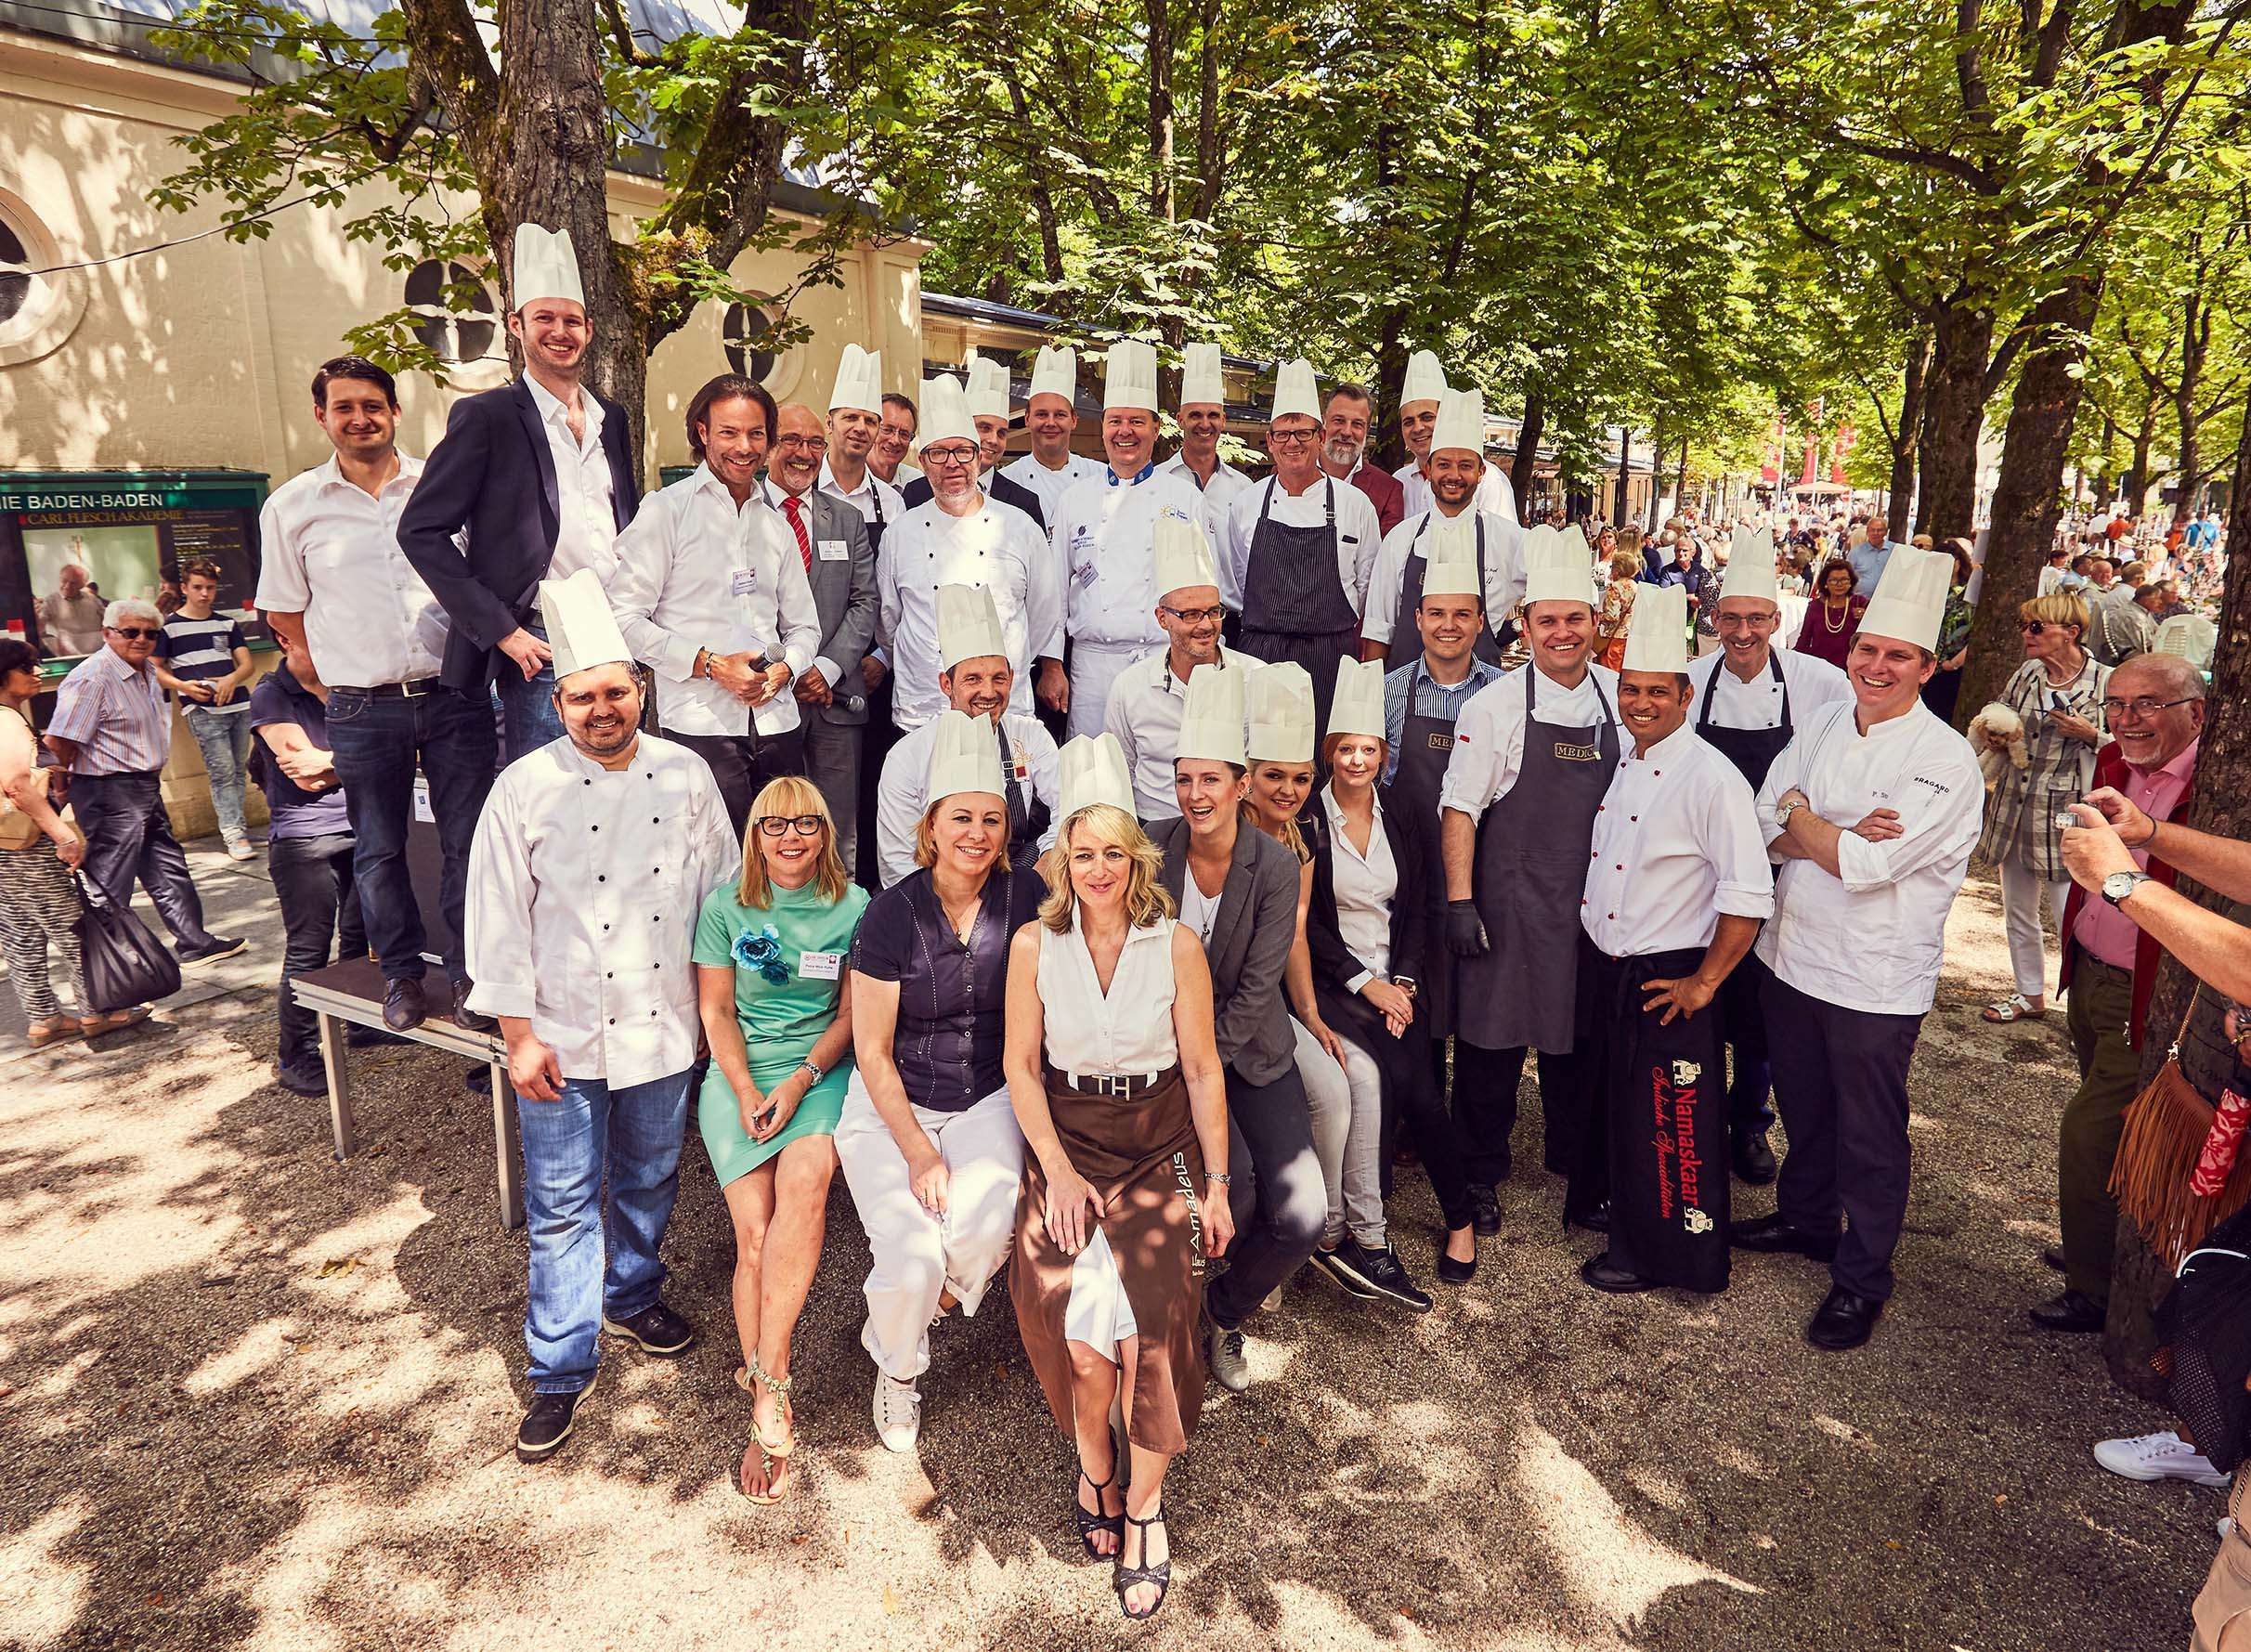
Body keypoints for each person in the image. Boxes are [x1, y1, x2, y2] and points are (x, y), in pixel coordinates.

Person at [464, 570, 738, 1463]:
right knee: (559, 1201)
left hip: (663, 1024)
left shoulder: (690, 774)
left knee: (653, 1172)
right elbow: (496, 917)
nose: (600, 709)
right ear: (558, 699)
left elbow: (723, 902)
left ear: (642, 691)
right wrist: (516, 1036)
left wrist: (720, 1017)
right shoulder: (524, 787)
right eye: (582, 696)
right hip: (563, 1032)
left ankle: (629, 1293)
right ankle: (557, 1365)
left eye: (615, 691)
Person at [1003, 734, 1233, 1621]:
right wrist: (1055, 1171)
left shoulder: (1173, 943)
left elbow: (1205, 1070)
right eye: (1081, 852)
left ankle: (1143, 1506)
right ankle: (1094, 1462)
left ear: (1136, 857)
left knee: (1153, 1314)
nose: (1097, 869)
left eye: (1113, 852)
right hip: (1070, 1138)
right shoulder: (1035, 942)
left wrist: (1214, 1184)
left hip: (1157, 1141)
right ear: (1061, 858)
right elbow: (1022, 1066)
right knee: (1076, 1324)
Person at [1738, 549, 1983, 1350]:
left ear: (1926, 665)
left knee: (1870, 1132)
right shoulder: (1821, 721)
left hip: (1875, 976)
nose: (1877, 666)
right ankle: (1809, 1218)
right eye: (1869, 651)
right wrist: (1831, 827)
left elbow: (1866, 865)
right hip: (1792, 952)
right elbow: (1760, 820)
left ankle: (1861, 1277)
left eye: (1898, 656)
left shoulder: (1944, 759)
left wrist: (1811, 818)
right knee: (1805, 1107)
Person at [258, 354, 497, 1035]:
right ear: (322, 416)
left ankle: (469, 972)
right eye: (344, 407)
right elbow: (284, 612)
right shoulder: (294, 506)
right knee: (379, 847)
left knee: (468, 842)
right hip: (363, 705)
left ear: (394, 410)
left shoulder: (441, 485)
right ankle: (399, 973)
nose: (359, 418)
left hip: (454, 693)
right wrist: (324, 677)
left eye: (372, 404)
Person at [839, 709, 1041, 1451]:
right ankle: (898, 1370)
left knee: (988, 1225)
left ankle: (911, 1309)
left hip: (986, 1095)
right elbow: (872, 1050)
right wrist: (920, 1151)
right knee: (914, 1251)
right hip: (893, 1105)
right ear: (931, 826)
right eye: (961, 817)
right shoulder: (890, 915)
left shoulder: (1025, 899)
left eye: (992, 818)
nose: (977, 834)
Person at [1565, 587, 1772, 1294]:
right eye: (1631, 689)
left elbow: (1748, 895)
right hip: (1613, 969)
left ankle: (1667, 1256)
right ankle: (1625, 1221)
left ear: (1686, 695)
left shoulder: (1711, 776)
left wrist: (1704, 983)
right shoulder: (1629, 756)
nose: (1642, 702)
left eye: (1658, 690)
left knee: (1672, 1119)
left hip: (1669, 975)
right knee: (1624, 1111)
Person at [397, 224, 641, 759]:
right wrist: (502, 630)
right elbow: (420, 530)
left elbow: (625, 524)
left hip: (617, 634)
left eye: (571, 320)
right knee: (555, 806)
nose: (560, 331)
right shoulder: (486, 417)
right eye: (544, 318)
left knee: (621, 793)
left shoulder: (611, 420)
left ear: (589, 329)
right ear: (516, 325)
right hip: (540, 644)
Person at [692, 775, 869, 1503]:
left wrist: (798, 1082)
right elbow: (717, 1010)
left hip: (818, 1071)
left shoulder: (855, 906)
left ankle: (766, 1391)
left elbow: (853, 1013)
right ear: (755, 835)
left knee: (806, 1187)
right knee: (754, 1238)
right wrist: (742, 1089)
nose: (791, 836)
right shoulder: (724, 907)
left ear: (825, 833)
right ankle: (772, 1376)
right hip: (741, 1074)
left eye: (806, 823)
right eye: (774, 824)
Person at [1439, 524, 1619, 1229]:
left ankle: (1579, 1168)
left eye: (1575, 619)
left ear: (1595, 622)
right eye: (1548, 620)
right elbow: (1460, 808)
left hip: (1588, 907)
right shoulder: (1495, 707)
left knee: (1580, 1041)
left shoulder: (1619, 700)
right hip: (1509, 906)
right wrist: (1460, 901)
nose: (1563, 633)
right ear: (1525, 624)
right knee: (1489, 1047)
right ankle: (1479, 1173)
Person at [1148, 663, 1319, 1392]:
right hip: (1173, 1053)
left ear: (1240, 783)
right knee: (1238, 1187)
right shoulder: (1152, 848)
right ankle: (1185, 1306)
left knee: (1303, 1213)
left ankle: (1223, 1308)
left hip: (1252, 1053)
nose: (1195, 795)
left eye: (1210, 779)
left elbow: (1256, 990)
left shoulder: (1277, 865)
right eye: (1185, 779)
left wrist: (1199, 1068)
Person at [2027, 653, 2203, 1333]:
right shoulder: (2111, 764)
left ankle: (2096, 1289)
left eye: (2147, 704)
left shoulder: (2208, 786)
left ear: (2196, 711)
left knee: (2090, 1130)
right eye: (2118, 704)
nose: (2128, 720)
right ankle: (2098, 1247)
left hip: (2150, 993)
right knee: (2111, 1129)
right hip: (2093, 973)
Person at [1307, 657, 1480, 1302]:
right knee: (1397, 1083)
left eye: (1369, 749)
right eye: (1346, 749)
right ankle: (1358, 1229)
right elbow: (1308, 927)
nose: (1357, 760)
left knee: (1421, 1094)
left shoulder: (1404, 807)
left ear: (1384, 751)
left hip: (1399, 980)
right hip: (1336, 985)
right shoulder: (1308, 817)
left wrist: (1403, 981)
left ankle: (1460, 1221)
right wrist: (1365, 983)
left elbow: (1424, 903)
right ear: (1331, 752)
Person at [1685, 528, 1853, 1184]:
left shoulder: (1820, 682)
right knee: (1703, 992)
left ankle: (1749, 1124)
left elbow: (1844, 766)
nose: (1744, 631)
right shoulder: (1691, 681)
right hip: (1702, 870)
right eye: (1732, 618)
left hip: (1785, 869)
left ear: (1776, 620)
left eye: (1757, 618)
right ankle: (1694, 1118)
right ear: (1714, 619)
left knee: (1763, 1010)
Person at [607, 374, 822, 838]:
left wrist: (787, 670)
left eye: (756, 433)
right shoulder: (666, 511)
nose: (744, 447)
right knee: (716, 866)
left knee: (785, 854)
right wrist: (711, 665)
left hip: (778, 722)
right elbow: (623, 619)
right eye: (729, 432)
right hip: (701, 725)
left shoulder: (775, 525)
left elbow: (805, 627)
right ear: (702, 433)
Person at [1232, 665, 1360, 1304]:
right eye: (1273, 776)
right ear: (1246, 775)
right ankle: (1272, 1241)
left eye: (1301, 778)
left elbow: (1299, 933)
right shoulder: (1222, 833)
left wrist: (1309, 1013)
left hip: (1278, 1004)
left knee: (1335, 1092)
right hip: (1232, 1010)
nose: (1288, 790)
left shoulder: (1303, 834)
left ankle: (1321, 1234)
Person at [44, 599, 244, 969]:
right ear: (107, 634)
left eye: (151, 634)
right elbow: (59, 743)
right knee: (110, 880)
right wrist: (61, 791)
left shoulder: (146, 672)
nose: (142, 640)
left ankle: (194, 943)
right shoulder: (93, 677)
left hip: (143, 785)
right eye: (130, 632)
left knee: (168, 866)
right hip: (108, 789)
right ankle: (108, 964)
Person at [1379, 551, 1504, 1109]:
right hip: (1411, 870)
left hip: (1488, 870)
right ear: (1418, 620)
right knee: (1418, 991)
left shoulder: (1506, 693)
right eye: (1436, 613)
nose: (1448, 625)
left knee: (1481, 998)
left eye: (1461, 614)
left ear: (1481, 621)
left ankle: (1475, 1120)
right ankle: (1420, 1116)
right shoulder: (1391, 691)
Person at [880, 374, 1062, 732]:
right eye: (938, 453)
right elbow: (888, 621)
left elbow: (1044, 614)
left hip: (1005, 709)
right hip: (924, 708)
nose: (953, 464)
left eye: (963, 452)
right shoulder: (900, 533)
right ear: (922, 461)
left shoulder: (1020, 527)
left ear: (978, 457)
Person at [1050, 343, 1213, 740]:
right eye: (1115, 421)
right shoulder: (1075, 499)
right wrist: (1053, 665)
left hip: (1161, 662)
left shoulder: (1185, 498)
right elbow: (1052, 591)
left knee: (1159, 770)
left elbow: (1205, 592)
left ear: (1156, 429)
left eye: (1137, 422)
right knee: (1092, 774)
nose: (1125, 432)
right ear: (1103, 427)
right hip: (1092, 667)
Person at [1224, 360, 1383, 734]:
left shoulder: (1354, 504)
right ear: (1269, 440)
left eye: (1303, 433)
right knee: (1261, 763)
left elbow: (1367, 585)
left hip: (1331, 657)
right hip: (1260, 657)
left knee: (1324, 763)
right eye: (1283, 434)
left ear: (1321, 436)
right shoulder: (1246, 504)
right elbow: (1235, 586)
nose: (1292, 442)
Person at [1975, 592, 2110, 1027]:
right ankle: (2030, 993)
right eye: (2024, 626)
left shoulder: (2105, 682)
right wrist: (1997, 731)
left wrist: (2091, 735)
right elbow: (2002, 710)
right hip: (2015, 803)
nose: (2026, 635)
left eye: (2036, 627)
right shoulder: (2029, 673)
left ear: (2070, 632)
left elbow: (2128, 747)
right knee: (2018, 908)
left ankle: (2084, 1010)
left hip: (2067, 810)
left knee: (2074, 915)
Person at [875, 585, 1061, 885]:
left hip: (1020, 883)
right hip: (936, 897)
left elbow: (1070, 806)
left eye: (998, 678)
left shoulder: (1030, 736)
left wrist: (1049, 854)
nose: (988, 692)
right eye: (972, 679)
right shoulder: (908, 756)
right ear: (946, 684)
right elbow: (898, 862)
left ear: (1012, 679)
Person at [768, 396, 881, 875]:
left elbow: (865, 602)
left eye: (815, 442)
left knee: (837, 831)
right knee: (774, 824)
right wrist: (789, 667)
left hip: (836, 702)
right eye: (792, 440)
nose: (804, 452)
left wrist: (825, 668)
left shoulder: (847, 518)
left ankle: (841, 938)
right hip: (769, 698)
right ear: (769, 444)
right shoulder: (745, 511)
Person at [248, 634, 365, 1096]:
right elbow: (306, 773)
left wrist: (336, 761)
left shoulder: (347, 682)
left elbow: (389, 752)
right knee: (308, 949)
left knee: (362, 932)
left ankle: (360, 1022)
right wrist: (361, 759)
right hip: (305, 839)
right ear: (285, 640)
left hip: (360, 826)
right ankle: (295, 1054)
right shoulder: (271, 693)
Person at [1359, 389, 1526, 670]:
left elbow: (1558, 594)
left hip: (1483, 701)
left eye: (1465, 466)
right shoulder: (1401, 539)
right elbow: (1378, 630)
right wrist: (1374, 701)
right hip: (1405, 699)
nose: (1454, 475)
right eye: (1444, 464)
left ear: (1481, 472)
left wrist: (1523, 626)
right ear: (1430, 470)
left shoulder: (1509, 539)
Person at [1105, 524, 1254, 821]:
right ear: (1162, 618)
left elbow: (1261, 770)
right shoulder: (1130, 687)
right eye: (1190, 615)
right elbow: (1120, 772)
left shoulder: (1254, 677)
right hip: (1153, 828)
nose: (1206, 625)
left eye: (1214, 612)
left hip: (1232, 828)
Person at [0, 636, 103, 1043]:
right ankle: (98, 1010)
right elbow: (17, 786)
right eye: (27, 668)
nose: (38, 673)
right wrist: (62, 834)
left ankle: (43, 1016)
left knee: (20, 931)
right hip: (28, 842)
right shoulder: (6, 720)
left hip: (4, 846)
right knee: (71, 927)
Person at [153, 559, 255, 861]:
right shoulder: (169, 628)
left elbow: (247, 664)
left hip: (238, 704)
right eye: (198, 587)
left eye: (210, 588)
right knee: (222, 773)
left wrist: (231, 679)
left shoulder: (227, 623)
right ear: (184, 588)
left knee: (238, 771)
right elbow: (154, 668)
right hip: (202, 709)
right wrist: (183, 686)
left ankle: (239, 828)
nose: (204, 593)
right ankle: (234, 835)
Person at [1153, 343, 1253, 549]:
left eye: (1213, 415)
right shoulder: (1157, 481)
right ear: (1180, 420)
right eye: (1195, 415)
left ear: (1223, 420)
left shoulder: (1243, 488)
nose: (1205, 424)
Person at [1000, 345, 1104, 525]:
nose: (1050, 423)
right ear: (1027, 419)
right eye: (1041, 414)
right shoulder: (1006, 481)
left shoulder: (1099, 477)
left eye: (1060, 415)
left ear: (1073, 420)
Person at [818, 345, 908, 535]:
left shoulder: (891, 502)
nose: (860, 428)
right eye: (850, 417)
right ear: (829, 423)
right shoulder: (803, 491)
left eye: (870, 421)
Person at [1316, 383, 1406, 536]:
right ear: (1324, 420)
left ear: (1368, 427)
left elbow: (1387, 556)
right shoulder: (1290, 475)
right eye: (1339, 420)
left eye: (1357, 424)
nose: (1346, 432)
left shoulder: (1388, 490)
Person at [1792, 557, 1867, 671]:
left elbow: (1874, 636)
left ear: (1851, 582)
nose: (1839, 584)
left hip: (1849, 669)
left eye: (1844, 579)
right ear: (1826, 583)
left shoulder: (1860, 603)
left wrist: (1866, 619)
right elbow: (1804, 639)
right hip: (1818, 667)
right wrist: (1794, 663)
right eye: (1833, 580)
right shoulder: (1815, 606)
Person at [39, 564, 105, 657]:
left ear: (83, 584)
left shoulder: (93, 600)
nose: (67, 586)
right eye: (64, 581)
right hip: (68, 654)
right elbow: (40, 626)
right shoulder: (51, 601)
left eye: (74, 583)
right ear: (59, 580)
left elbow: (107, 621)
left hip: (96, 653)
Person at [1595, 547, 1641, 671]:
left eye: (1612, 566)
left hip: (1616, 638)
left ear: (1618, 569)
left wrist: (1597, 616)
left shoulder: (1615, 587)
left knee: (1611, 673)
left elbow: (1612, 616)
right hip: (1632, 637)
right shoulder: (1637, 587)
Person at [871, 390, 919, 487]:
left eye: (904, 434)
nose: (895, 441)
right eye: (887, 429)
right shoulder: (849, 479)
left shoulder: (916, 482)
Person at [1846, 514, 1895, 595]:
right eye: (1872, 530)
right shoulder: (1856, 552)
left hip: (1886, 600)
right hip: (1862, 601)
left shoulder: (1894, 550)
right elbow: (1847, 576)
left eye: (1879, 530)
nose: (1875, 533)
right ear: (1867, 532)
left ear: (1886, 532)